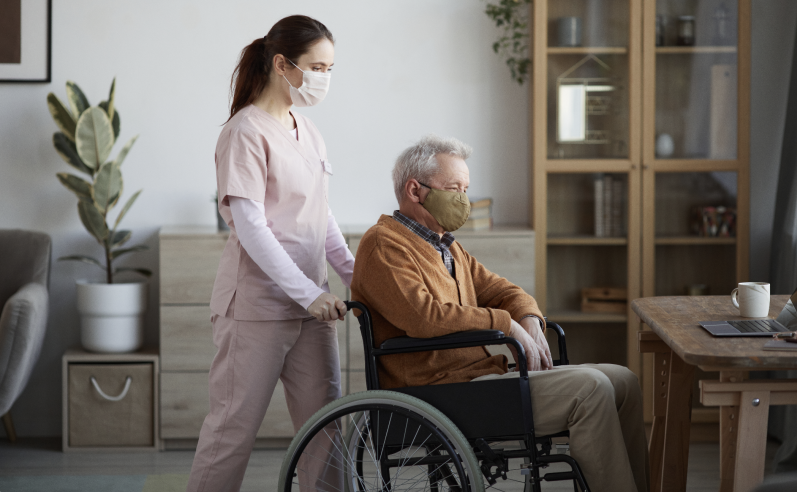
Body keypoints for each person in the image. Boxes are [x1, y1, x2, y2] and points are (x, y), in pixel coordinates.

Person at [350, 134, 649, 492]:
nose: (463, 199)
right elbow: (425, 317)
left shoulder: (447, 247)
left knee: (624, 381)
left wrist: (529, 321)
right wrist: (505, 324)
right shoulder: (384, 244)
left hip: (475, 383)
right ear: (415, 191)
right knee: (591, 389)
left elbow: (505, 291)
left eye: (466, 189)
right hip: (439, 391)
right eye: (454, 188)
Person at [187, 15, 352, 492]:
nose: (324, 78)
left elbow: (321, 217)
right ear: (282, 64)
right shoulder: (245, 132)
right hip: (257, 311)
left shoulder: (309, 130)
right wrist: (307, 293)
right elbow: (251, 228)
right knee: (232, 429)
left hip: (311, 311)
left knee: (325, 428)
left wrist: (355, 274)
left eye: (330, 68)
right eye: (317, 67)